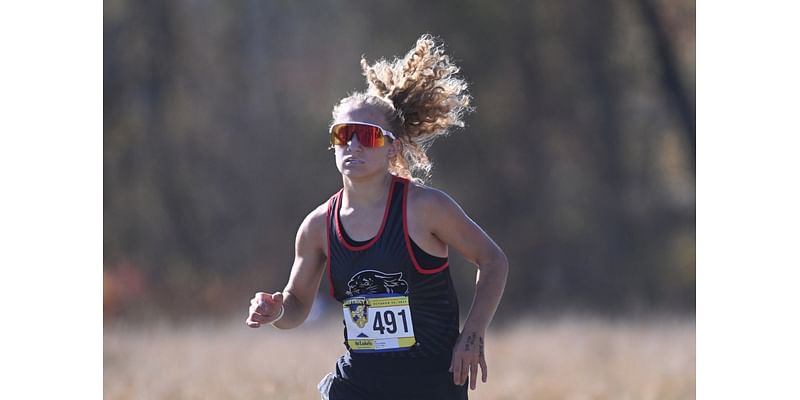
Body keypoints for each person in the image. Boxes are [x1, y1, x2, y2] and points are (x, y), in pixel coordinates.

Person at [246, 34, 508, 400]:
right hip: (358, 386)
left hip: (432, 384)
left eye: (367, 136)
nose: (353, 145)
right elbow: (297, 306)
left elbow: (493, 260)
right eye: (344, 134)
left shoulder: (424, 207)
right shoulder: (318, 226)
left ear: (392, 148)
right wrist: (275, 312)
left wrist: (473, 334)